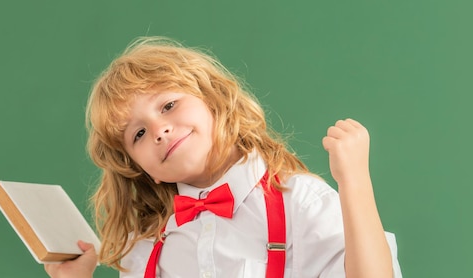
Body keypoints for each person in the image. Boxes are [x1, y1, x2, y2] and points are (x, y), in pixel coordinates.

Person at [44, 36, 401, 278]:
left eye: (168, 105)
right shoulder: (146, 248)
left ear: (213, 100)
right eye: (138, 134)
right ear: (141, 169)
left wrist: (354, 181)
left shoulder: (301, 201)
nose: (159, 130)